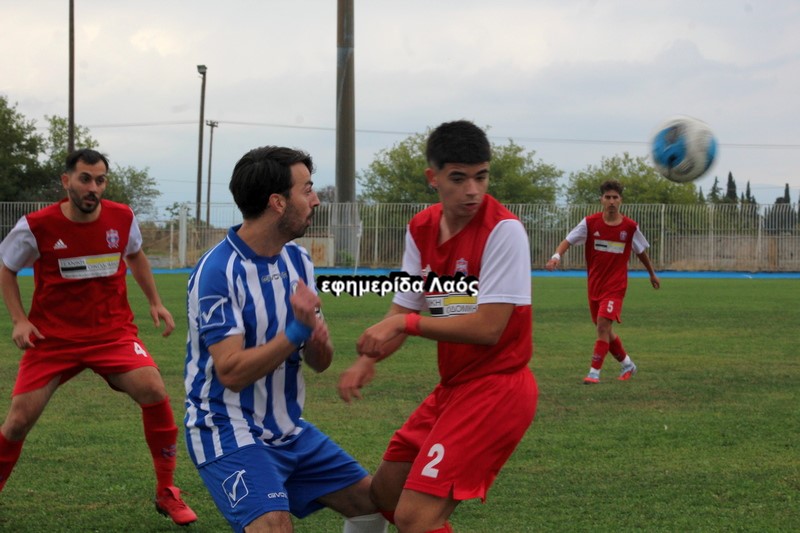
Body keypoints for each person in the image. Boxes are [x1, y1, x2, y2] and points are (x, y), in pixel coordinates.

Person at [338, 120, 538, 533]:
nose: (473, 190)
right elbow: (405, 304)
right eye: (459, 178)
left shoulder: (504, 231)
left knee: (415, 518)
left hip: (497, 389)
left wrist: (407, 324)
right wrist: (367, 359)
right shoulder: (421, 228)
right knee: (386, 493)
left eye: (481, 177)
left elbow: (488, 328)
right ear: (434, 178)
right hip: (453, 388)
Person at [184, 146, 387, 533]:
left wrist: (316, 339)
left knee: (372, 505)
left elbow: (320, 363)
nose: (316, 199)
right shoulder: (218, 272)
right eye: (306, 189)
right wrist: (296, 332)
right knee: (274, 526)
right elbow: (231, 372)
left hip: (287, 429)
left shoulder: (298, 261)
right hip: (226, 427)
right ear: (278, 202)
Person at [0, 149, 196, 525]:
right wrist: (19, 320)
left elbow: (135, 255)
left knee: (154, 389)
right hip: (54, 340)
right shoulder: (36, 226)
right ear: (66, 181)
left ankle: (167, 491)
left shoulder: (122, 218)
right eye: (85, 179)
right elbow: (7, 268)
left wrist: (155, 302)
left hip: (112, 334)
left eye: (100, 180)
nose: (93, 187)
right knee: (18, 420)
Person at [545, 179, 660, 384]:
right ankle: (628, 364)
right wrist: (556, 256)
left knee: (602, 327)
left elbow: (641, 251)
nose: (611, 201)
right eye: (608, 197)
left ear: (620, 200)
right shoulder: (590, 223)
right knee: (605, 329)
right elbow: (568, 240)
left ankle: (594, 373)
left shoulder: (630, 227)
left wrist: (651, 274)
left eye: (615, 197)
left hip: (615, 287)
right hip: (594, 286)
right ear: (602, 200)